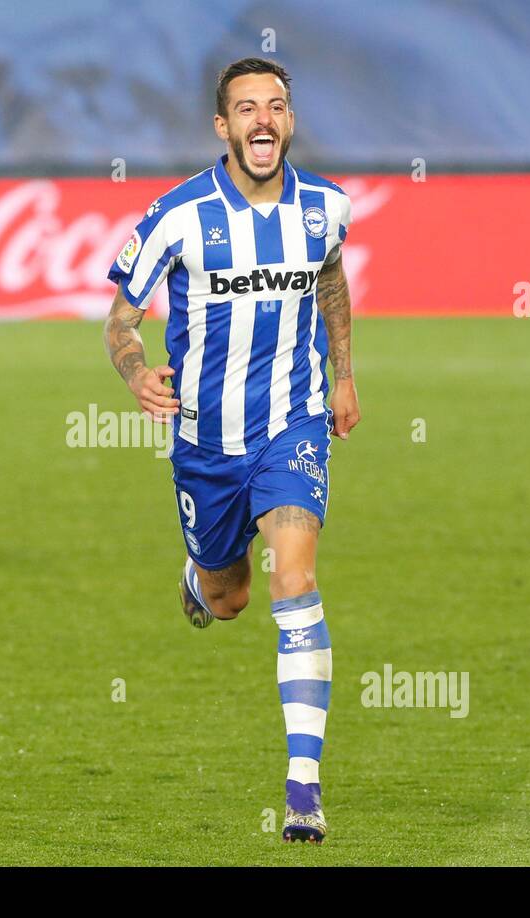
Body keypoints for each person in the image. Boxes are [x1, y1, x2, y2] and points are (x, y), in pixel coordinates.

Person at [103, 57, 360, 844]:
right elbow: (121, 319)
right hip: (205, 443)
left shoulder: (326, 208)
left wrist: (344, 373)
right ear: (223, 126)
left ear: (289, 120)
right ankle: (200, 571)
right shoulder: (178, 216)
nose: (262, 119)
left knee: (297, 578)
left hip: (293, 425)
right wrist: (138, 371)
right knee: (231, 597)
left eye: (275, 105)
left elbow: (331, 281)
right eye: (246, 107)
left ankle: (304, 790)